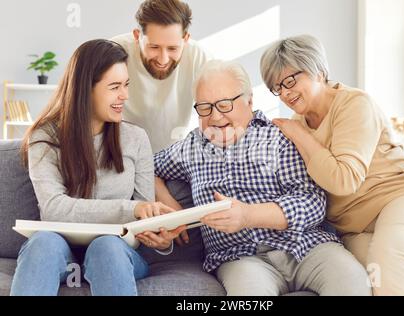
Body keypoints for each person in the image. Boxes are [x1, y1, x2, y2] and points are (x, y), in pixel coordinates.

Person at [153, 60, 372, 296]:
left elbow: (312, 202)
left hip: (306, 246)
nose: (215, 116)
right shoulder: (191, 147)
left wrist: (248, 215)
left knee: (353, 282)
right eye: (204, 107)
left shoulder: (280, 137)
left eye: (224, 105)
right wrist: (171, 205)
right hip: (241, 258)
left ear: (249, 101)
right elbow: (148, 167)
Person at [260, 34, 404, 296]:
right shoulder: (296, 124)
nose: (285, 93)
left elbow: (344, 179)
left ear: (318, 70)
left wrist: (300, 135)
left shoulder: (354, 104)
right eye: (277, 87)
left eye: (290, 80)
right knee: (369, 277)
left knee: (392, 256)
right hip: (353, 229)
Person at [11, 39, 184, 296]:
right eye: (114, 87)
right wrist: (132, 209)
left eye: (126, 85)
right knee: (42, 244)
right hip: (59, 250)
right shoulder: (44, 138)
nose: (124, 95)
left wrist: (158, 236)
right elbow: (54, 209)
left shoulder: (135, 139)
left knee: (107, 247)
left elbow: (143, 218)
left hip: (115, 252)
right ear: (85, 90)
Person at [111, 0, 210, 153]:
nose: (163, 59)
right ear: (137, 36)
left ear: (185, 39)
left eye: (172, 48)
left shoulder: (197, 56)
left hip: (173, 154)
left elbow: (213, 113)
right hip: (121, 152)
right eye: (154, 47)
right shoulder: (115, 52)